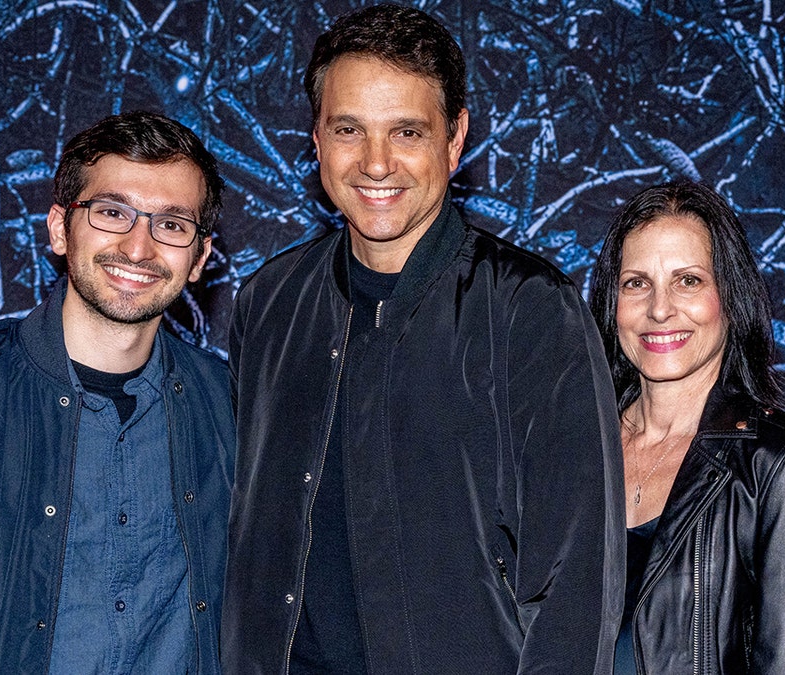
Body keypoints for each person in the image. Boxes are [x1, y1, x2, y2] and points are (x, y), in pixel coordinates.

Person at [222, 4, 624, 673]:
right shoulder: (268, 306)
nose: (376, 163)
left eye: (406, 131)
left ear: (454, 138)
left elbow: (577, 578)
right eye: (349, 129)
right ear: (316, 136)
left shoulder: (529, 310)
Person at [0, 110, 236, 673]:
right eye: (113, 213)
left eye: (171, 224)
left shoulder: (228, 405)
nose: (139, 247)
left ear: (200, 258)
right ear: (59, 228)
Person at [589, 180, 785, 673]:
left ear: (729, 295)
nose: (659, 310)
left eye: (689, 281)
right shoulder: (570, 446)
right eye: (636, 283)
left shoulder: (778, 461)